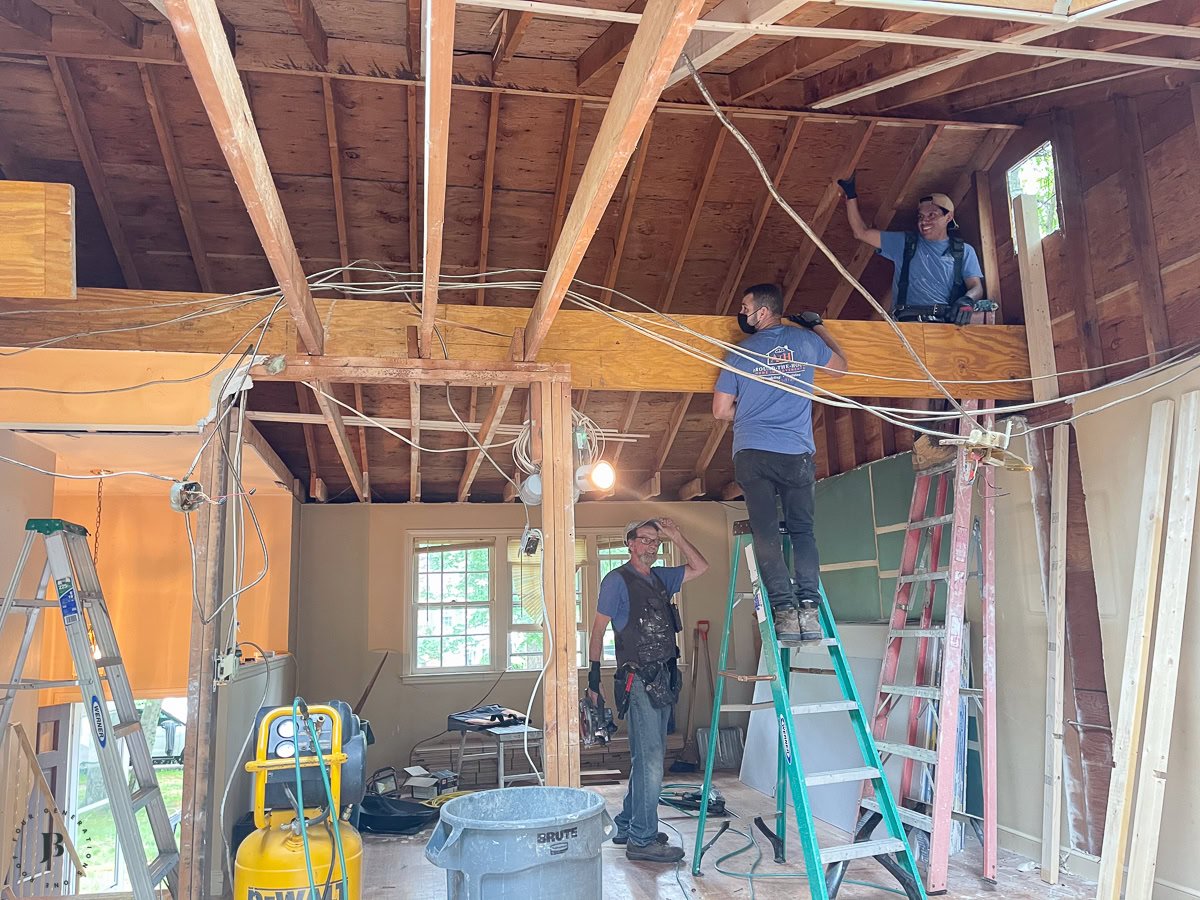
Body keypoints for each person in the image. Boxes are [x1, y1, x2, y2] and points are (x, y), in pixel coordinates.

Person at [712, 284, 848, 645]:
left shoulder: (739, 353)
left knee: (766, 532)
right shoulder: (805, 343)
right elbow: (840, 370)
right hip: (796, 454)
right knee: (803, 532)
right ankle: (808, 608)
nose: (742, 313)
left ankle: (784, 614)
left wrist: (753, 408)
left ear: (763, 311)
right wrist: (818, 326)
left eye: (745, 306)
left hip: (753, 453)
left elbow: (721, 411)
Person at [586, 517, 709, 863]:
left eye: (655, 542)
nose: (650, 547)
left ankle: (628, 823)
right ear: (629, 543)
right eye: (643, 540)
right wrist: (593, 680)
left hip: (665, 679)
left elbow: (701, 566)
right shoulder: (617, 581)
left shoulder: (661, 578)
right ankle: (642, 838)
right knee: (652, 760)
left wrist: (677, 535)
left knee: (646, 758)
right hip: (638, 680)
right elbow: (597, 631)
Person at [837, 173, 996, 325]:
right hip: (907, 323)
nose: (924, 221)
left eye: (932, 215)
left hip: (945, 325)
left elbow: (976, 287)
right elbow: (861, 232)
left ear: (948, 217)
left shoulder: (963, 251)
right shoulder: (905, 243)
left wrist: (967, 300)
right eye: (921, 216)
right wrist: (851, 196)